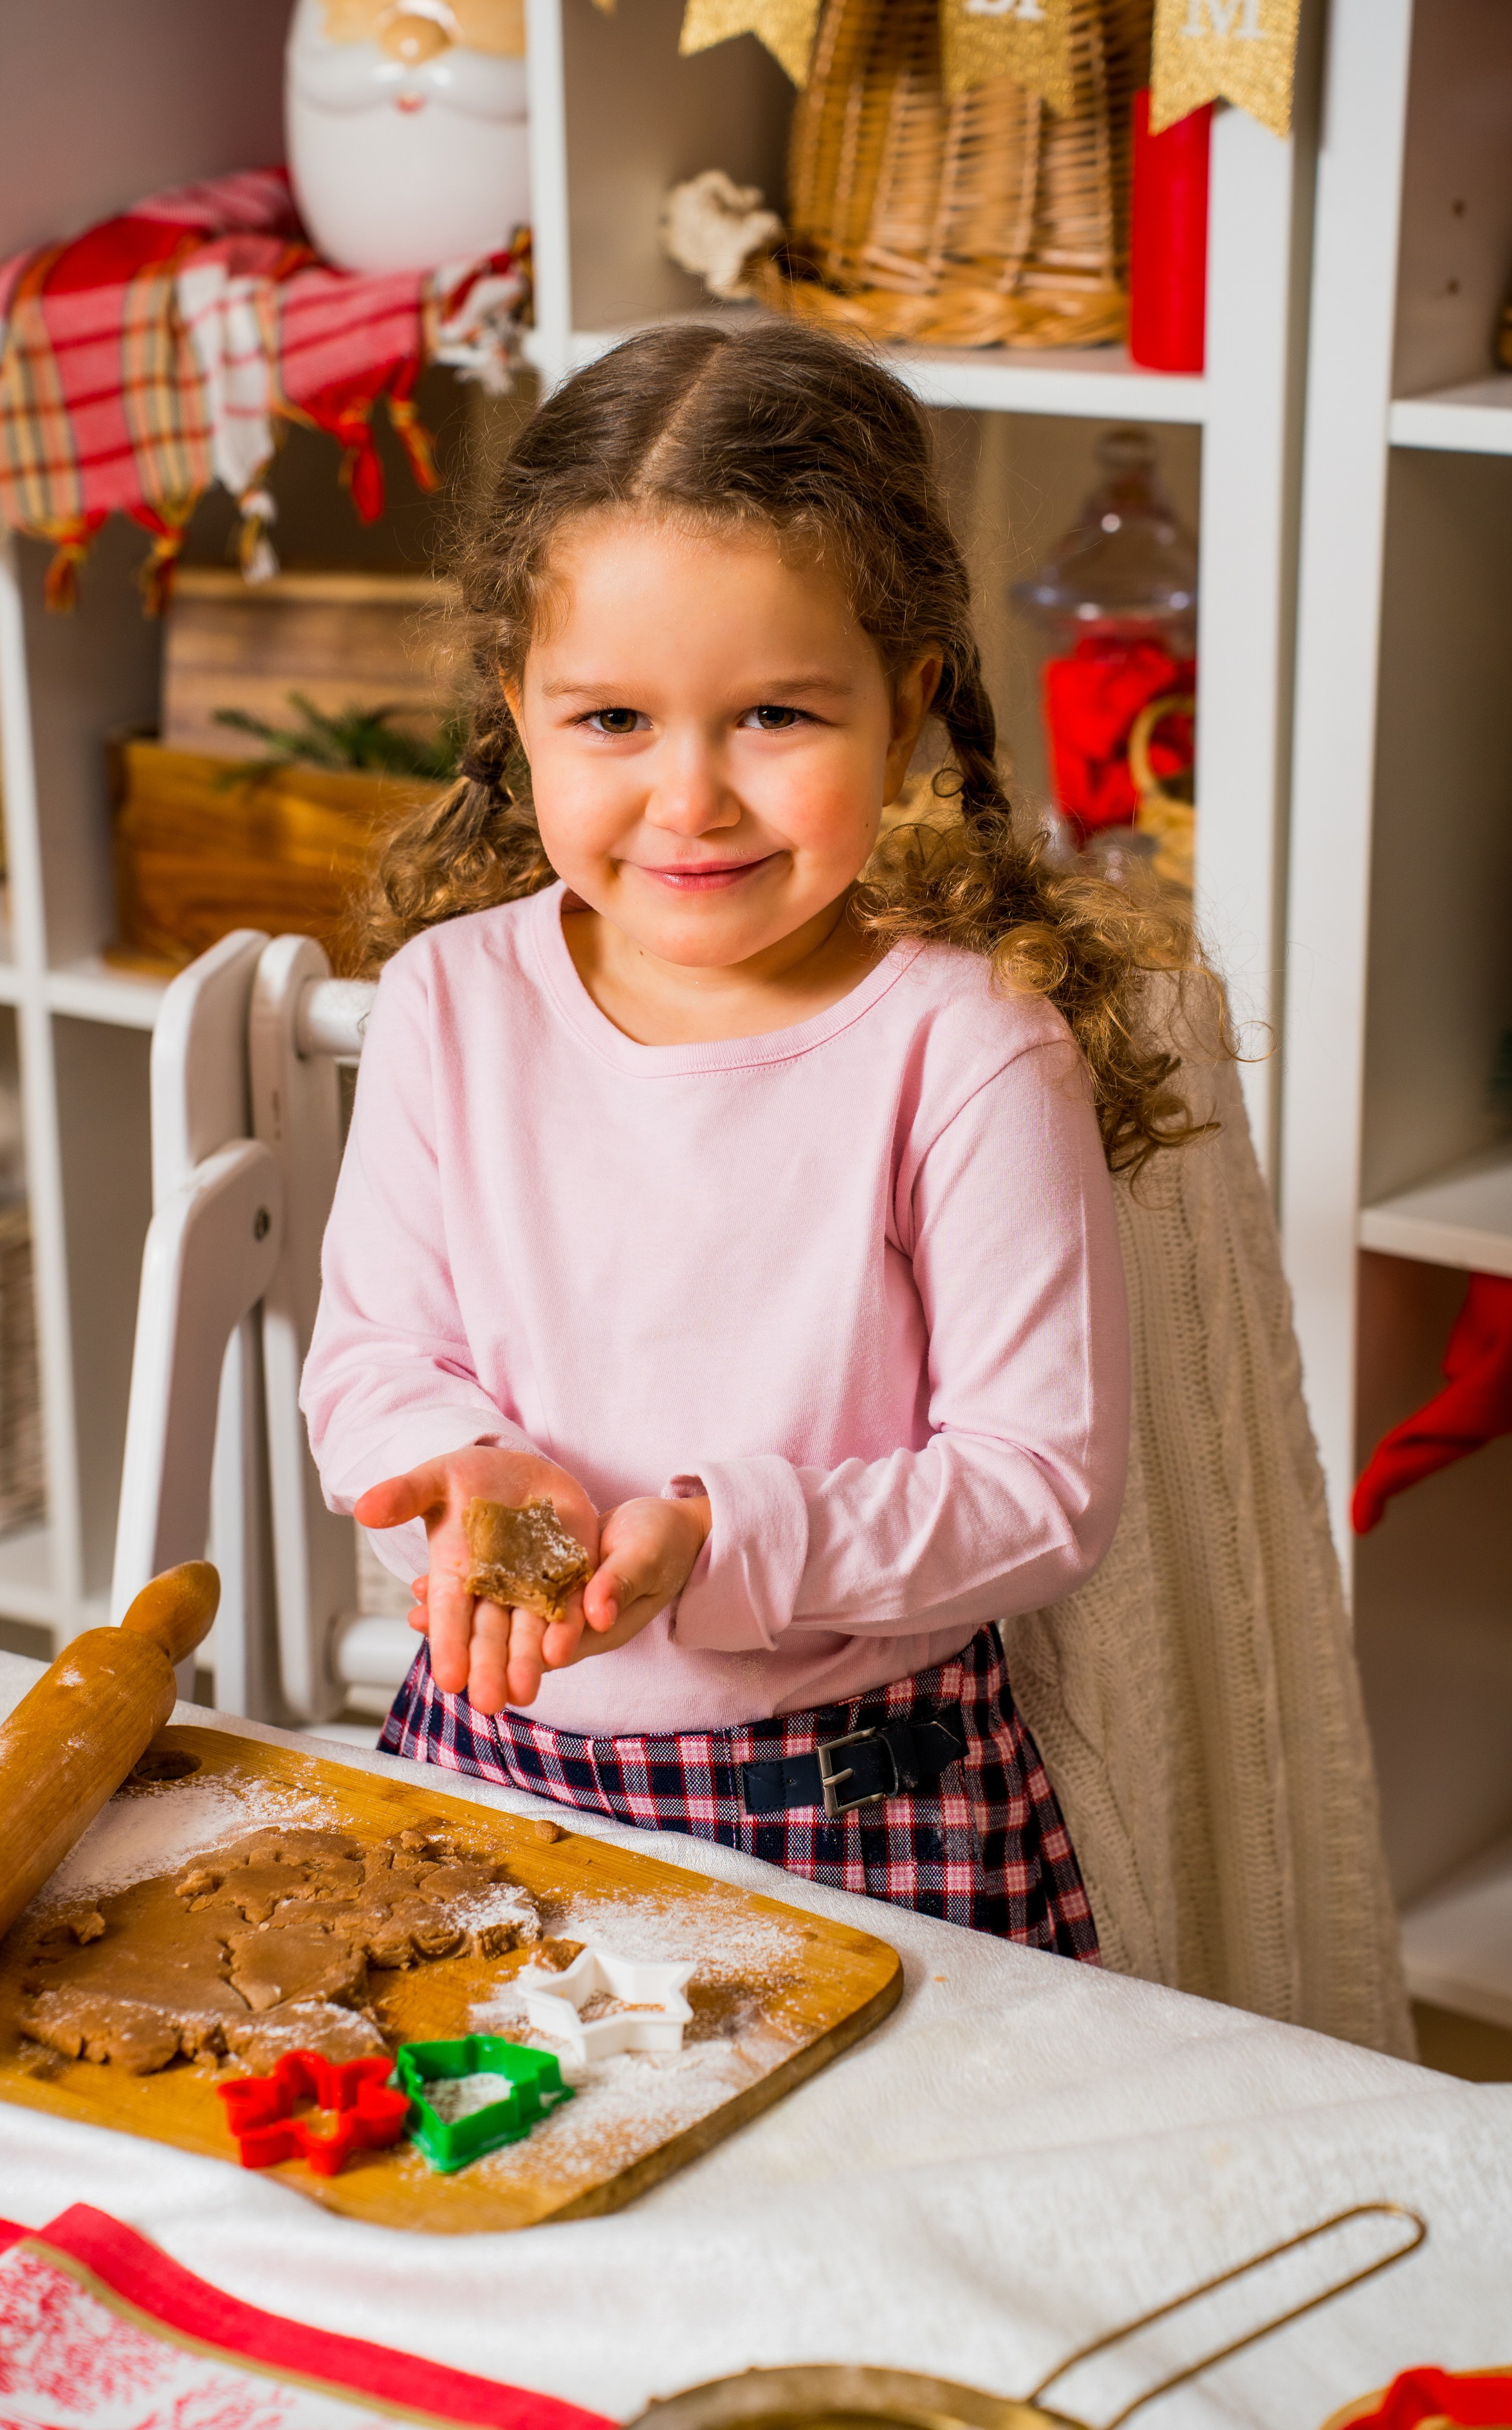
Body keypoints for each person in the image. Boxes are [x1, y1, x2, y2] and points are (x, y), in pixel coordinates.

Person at [300, 319, 1206, 1958]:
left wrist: (719, 1543)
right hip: (498, 1758)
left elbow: (1038, 1489)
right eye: (613, 722)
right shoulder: (449, 999)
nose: (693, 798)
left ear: (905, 701)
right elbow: (370, 1354)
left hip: (867, 1812)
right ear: (519, 707)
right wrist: (455, 1464)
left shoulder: (964, 1046)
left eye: (776, 714)